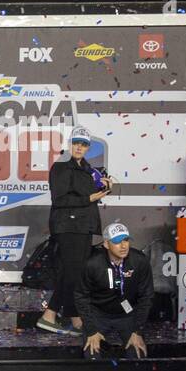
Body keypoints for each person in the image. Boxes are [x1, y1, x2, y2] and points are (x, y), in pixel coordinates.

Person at [39, 125, 112, 334]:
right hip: (67, 224)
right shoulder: (61, 166)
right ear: (70, 144)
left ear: (88, 147)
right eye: (76, 143)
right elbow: (59, 199)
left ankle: (71, 314)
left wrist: (107, 186)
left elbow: (96, 189)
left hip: (84, 225)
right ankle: (51, 313)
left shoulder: (89, 169)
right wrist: (88, 198)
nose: (79, 147)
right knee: (73, 271)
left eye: (84, 144)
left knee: (75, 272)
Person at [73, 223, 151, 359]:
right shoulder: (93, 264)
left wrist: (137, 330)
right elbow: (81, 296)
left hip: (128, 314)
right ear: (106, 244)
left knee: (138, 353)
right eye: (116, 242)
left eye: (126, 240)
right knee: (92, 354)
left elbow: (146, 296)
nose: (123, 246)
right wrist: (91, 330)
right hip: (99, 314)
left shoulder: (139, 261)